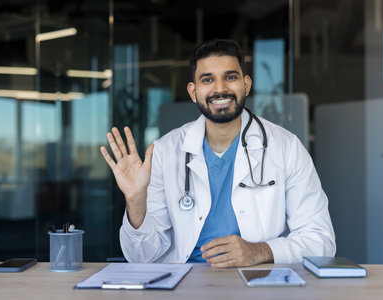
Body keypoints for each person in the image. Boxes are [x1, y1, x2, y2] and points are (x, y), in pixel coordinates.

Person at [100, 39, 336, 268]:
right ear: (193, 92)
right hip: (184, 284)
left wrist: (258, 251)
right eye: (207, 79)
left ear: (246, 84)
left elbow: (321, 241)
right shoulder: (165, 151)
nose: (220, 89)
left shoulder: (286, 148)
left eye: (230, 77)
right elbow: (141, 257)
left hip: (258, 281)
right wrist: (135, 201)